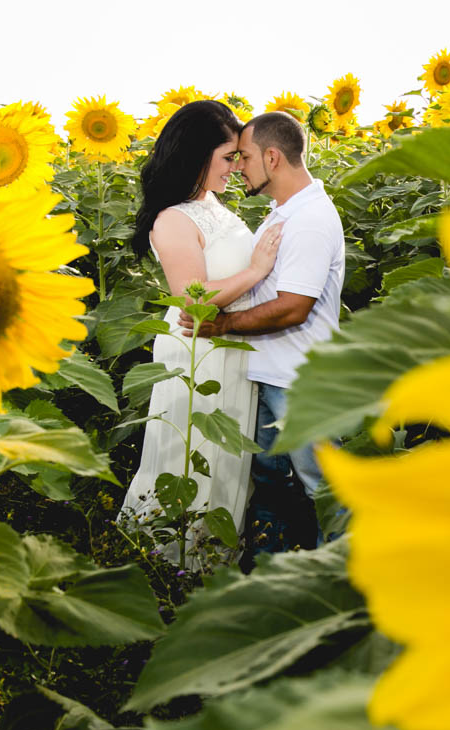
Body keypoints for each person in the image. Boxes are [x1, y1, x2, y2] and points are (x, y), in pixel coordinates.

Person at [121, 100, 284, 559]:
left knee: (228, 458)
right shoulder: (172, 218)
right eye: (228, 157)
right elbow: (193, 301)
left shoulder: (211, 204)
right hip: (197, 353)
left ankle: (215, 562)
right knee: (193, 455)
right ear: (197, 153)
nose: (236, 167)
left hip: (230, 350)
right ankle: (170, 564)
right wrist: (255, 271)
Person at [180, 111, 346, 555]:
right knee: (270, 487)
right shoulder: (285, 211)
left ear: (272, 158)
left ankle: (344, 590)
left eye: (246, 157)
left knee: (326, 492)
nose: (238, 167)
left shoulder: (309, 219)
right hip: (273, 375)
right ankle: (272, 573)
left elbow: (293, 307)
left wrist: (223, 325)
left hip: (301, 381)